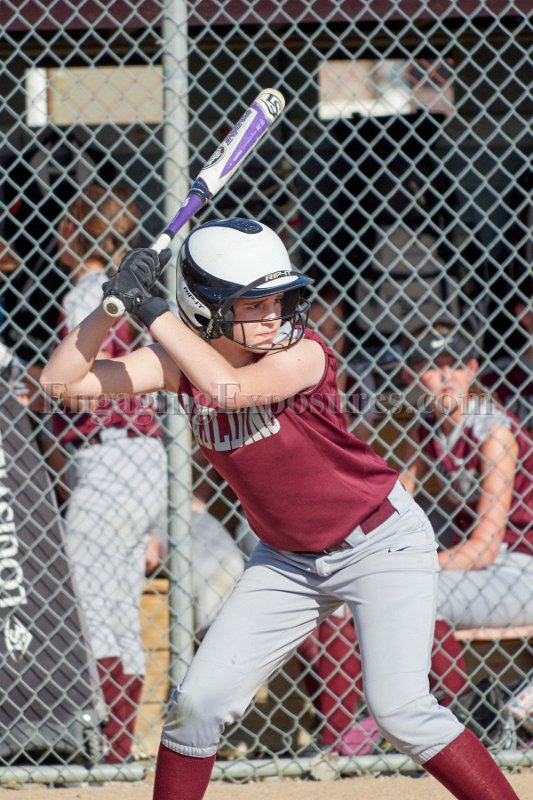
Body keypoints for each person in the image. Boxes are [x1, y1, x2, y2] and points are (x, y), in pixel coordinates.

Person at [40, 217, 520, 800]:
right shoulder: (176, 364)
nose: (274, 316)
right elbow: (62, 383)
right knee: (197, 707)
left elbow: (228, 390)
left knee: (402, 710)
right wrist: (111, 306)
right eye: (254, 305)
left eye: (279, 300)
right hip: (288, 561)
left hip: (379, 543)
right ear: (208, 310)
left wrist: (152, 310)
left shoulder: (304, 352)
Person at [46, 184, 170, 764]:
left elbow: (77, 388)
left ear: (72, 235)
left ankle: (107, 747)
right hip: (147, 458)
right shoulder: (136, 293)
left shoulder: (85, 294)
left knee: (87, 604)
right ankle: (119, 748)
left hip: (107, 455)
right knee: (119, 606)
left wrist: (35, 394)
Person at [400, 323, 533, 702]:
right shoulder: (426, 426)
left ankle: (454, 710)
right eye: (432, 365)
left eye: (456, 364)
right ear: (411, 374)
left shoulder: (494, 432)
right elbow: (398, 497)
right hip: (485, 568)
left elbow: (484, 549)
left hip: (522, 565)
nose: (447, 376)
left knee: (413, 595)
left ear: (473, 369)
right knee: (393, 590)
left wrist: (409, 565)